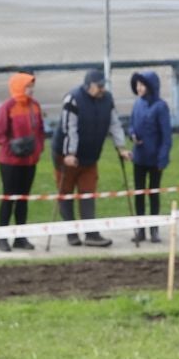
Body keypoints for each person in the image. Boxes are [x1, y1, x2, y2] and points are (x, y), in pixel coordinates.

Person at [54, 69, 127, 248]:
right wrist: (70, 153)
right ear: (88, 86)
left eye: (104, 85)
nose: (102, 89)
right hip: (66, 155)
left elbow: (114, 124)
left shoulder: (107, 100)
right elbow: (68, 128)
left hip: (90, 156)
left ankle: (91, 233)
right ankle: (71, 232)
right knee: (66, 192)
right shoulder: (72, 99)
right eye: (99, 86)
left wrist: (121, 147)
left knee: (88, 193)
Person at [0, 71, 46, 252]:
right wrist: (12, 147)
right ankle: (2, 238)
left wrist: (38, 149)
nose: (31, 91)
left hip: (30, 160)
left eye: (32, 87)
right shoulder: (7, 107)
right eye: (28, 87)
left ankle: (20, 237)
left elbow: (40, 130)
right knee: (9, 198)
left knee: (23, 199)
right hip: (10, 161)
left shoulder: (35, 106)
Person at [126, 70, 172, 243]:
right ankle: (140, 229)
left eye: (142, 84)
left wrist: (162, 158)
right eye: (137, 85)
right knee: (139, 193)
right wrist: (132, 134)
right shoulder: (137, 104)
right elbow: (131, 125)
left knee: (153, 194)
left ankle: (154, 229)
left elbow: (166, 135)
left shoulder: (160, 107)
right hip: (139, 158)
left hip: (154, 160)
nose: (139, 88)